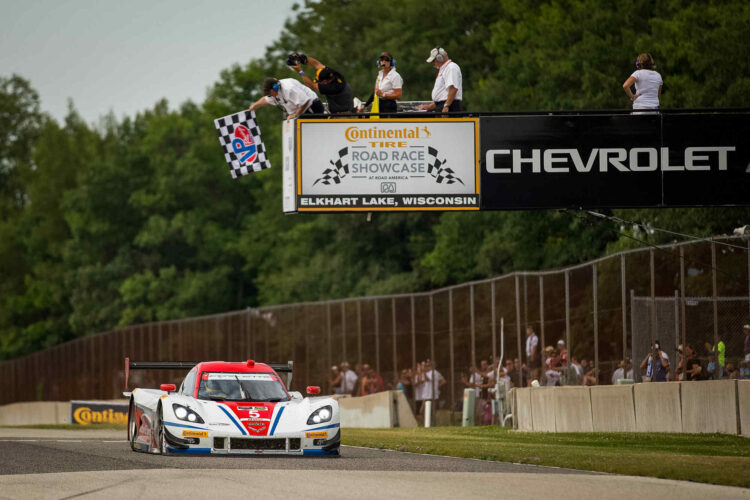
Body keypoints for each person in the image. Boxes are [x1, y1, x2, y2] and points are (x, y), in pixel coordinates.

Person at [288, 53, 354, 114]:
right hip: (345, 112)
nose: (316, 81)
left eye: (318, 81)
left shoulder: (332, 88)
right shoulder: (334, 74)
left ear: (325, 82)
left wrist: (300, 71)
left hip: (343, 116)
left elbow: (312, 86)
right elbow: (317, 64)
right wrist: (302, 58)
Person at [247, 77, 323, 121]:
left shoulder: (289, 88)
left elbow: (305, 101)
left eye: (270, 94)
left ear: (275, 87)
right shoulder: (273, 94)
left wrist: (295, 114)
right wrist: (254, 106)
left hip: (312, 108)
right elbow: (265, 100)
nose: (270, 96)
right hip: (302, 113)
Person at [418, 46, 462, 114]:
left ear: (440, 58)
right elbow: (441, 97)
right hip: (443, 106)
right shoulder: (445, 69)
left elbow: (453, 89)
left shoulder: (451, 68)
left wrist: (446, 106)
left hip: (449, 107)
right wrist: (429, 107)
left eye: (433, 61)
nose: (434, 63)